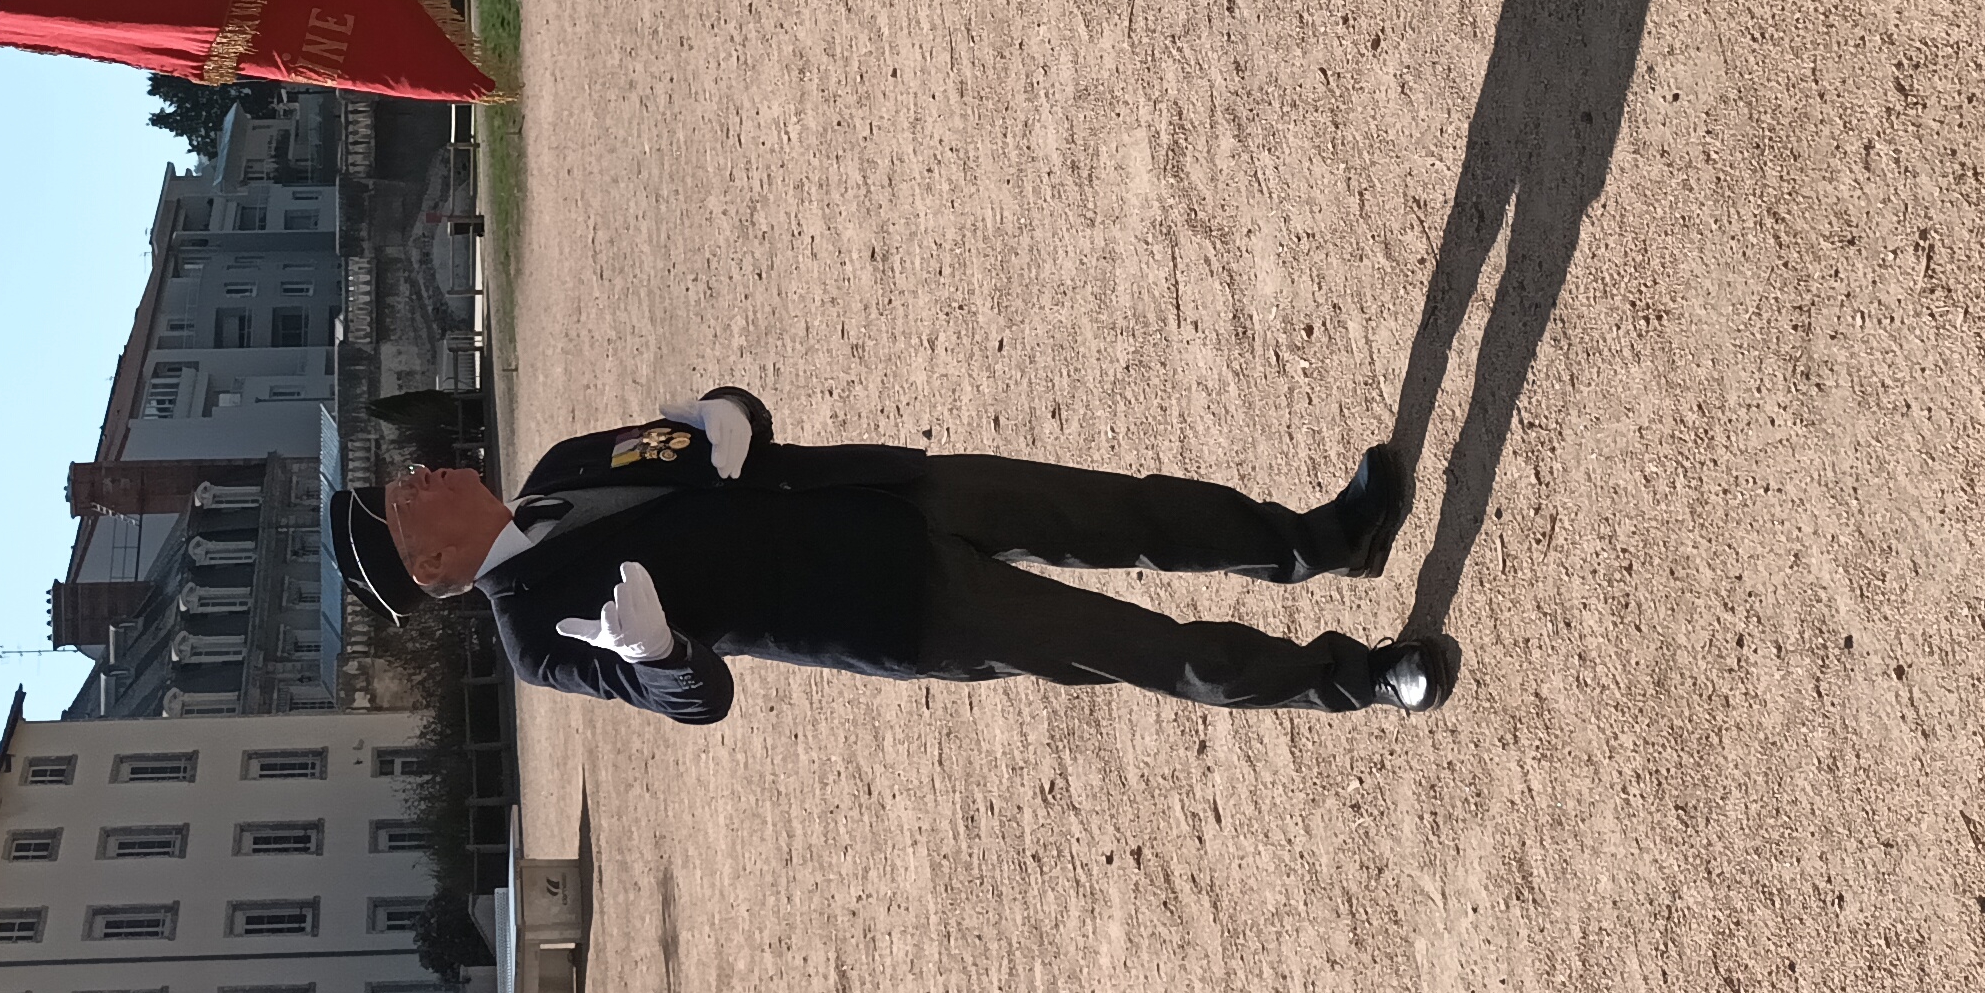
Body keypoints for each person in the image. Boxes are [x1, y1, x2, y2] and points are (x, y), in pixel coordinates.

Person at [326, 388, 1453, 721]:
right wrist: (659, 650)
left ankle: (1322, 541)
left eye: (402, 476)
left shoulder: (565, 463)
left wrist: (724, 409)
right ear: (429, 569)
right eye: (401, 503)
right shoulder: (535, 637)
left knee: (1134, 514)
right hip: (899, 606)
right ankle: (1353, 680)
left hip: (891, 492)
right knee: (1149, 651)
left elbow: (719, 429)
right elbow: (695, 699)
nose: (416, 476)